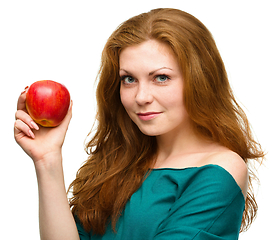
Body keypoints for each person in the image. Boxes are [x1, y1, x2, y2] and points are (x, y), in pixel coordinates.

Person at [14, 8, 265, 240]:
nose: (141, 97)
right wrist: (47, 161)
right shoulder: (119, 161)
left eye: (161, 77)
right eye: (129, 79)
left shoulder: (219, 170)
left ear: (200, 80)